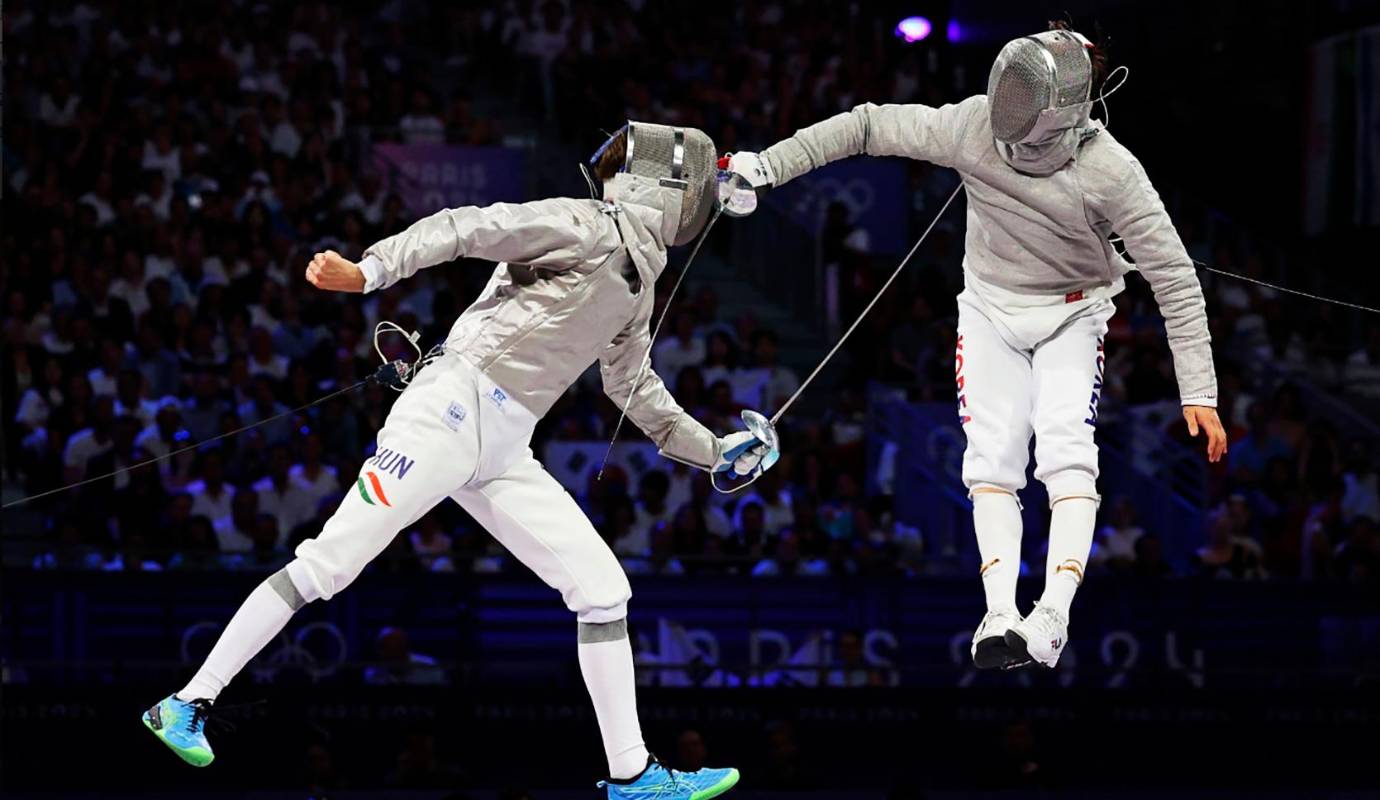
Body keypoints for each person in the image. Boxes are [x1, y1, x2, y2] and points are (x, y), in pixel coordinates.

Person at [142, 121, 764, 800]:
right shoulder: (587, 224)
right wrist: (369, 272)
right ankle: (186, 702)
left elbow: (633, 389)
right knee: (329, 565)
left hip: (504, 445)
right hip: (449, 408)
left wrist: (717, 453)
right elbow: (470, 225)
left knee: (603, 590)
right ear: (671, 188)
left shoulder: (638, 286)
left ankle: (632, 775)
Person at [728, 22, 1227, 670]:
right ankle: (999, 612)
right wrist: (766, 167)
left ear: (1059, 113)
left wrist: (1201, 391)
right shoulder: (971, 124)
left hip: (1071, 316)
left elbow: (1176, 278)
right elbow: (867, 125)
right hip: (989, 308)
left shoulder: (1111, 171)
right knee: (990, 464)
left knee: (1066, 450)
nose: (1003, 123)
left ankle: (1052, 614)